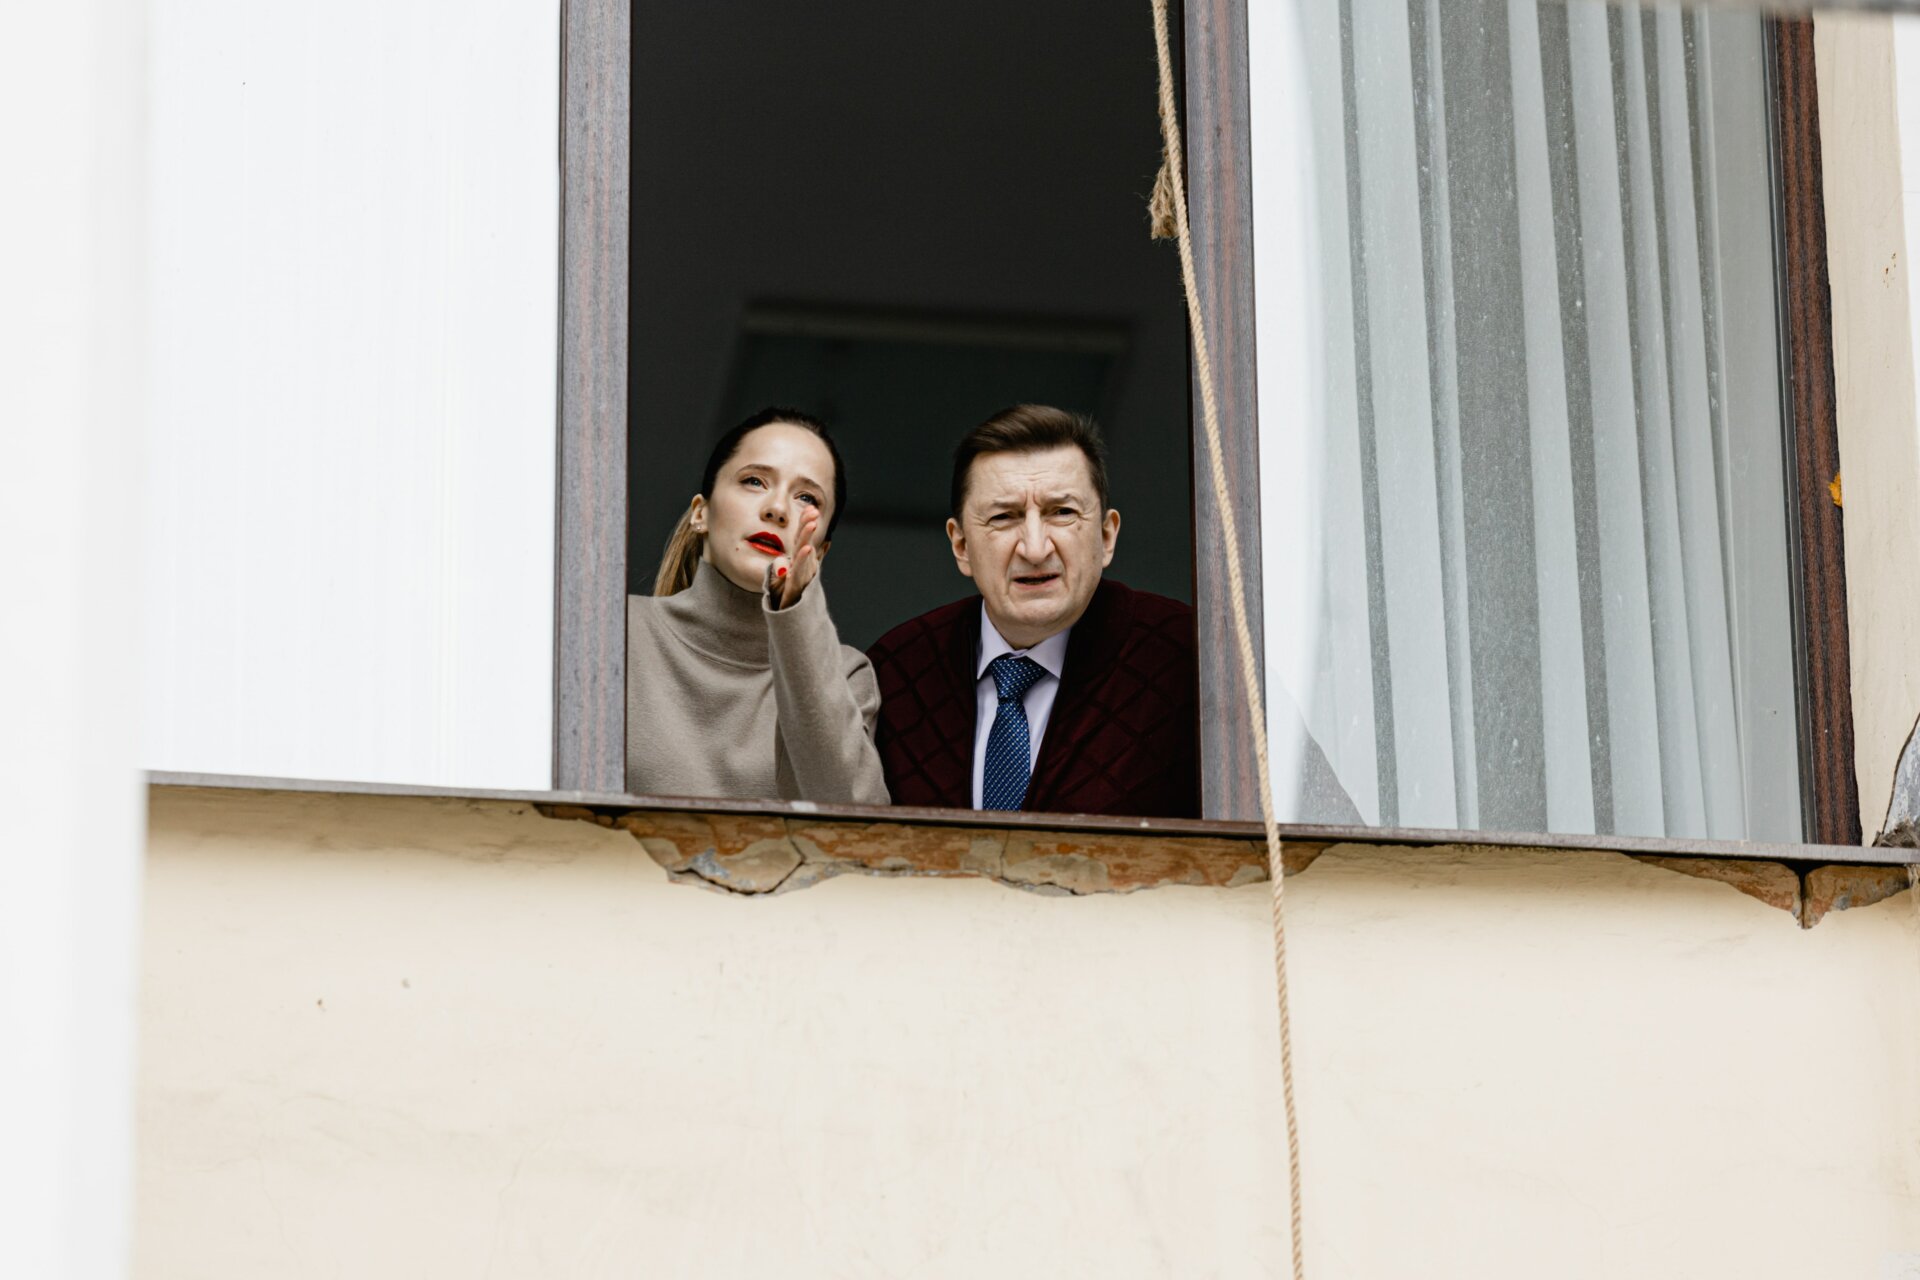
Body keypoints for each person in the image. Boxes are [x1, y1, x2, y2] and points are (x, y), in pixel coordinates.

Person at [866, 405, 1200, 817]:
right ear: (962, 546)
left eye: (1062, 512)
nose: (1035, 548)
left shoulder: (1192, 660)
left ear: (1106, 536)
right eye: (1003, 517)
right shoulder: (896, 673)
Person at [626, 407, 888, 805]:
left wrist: (794, 614)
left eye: (806, 498)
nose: (777, 509)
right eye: (754, 481)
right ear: (701, 513)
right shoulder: (619, 632)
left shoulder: (846, 672)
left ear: (821, 551)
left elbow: (850, 821)